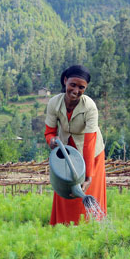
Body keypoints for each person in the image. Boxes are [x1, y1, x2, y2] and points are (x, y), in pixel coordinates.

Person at [44, 65, 106, 225]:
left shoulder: (90, 107)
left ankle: (89, 227)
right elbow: (49, 131)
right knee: (66, 189)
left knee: (87, 189)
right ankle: (63, 226)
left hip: (91, 154)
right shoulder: (54, 103)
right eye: (73, 84)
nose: (76, 90)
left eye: (81, 87)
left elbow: (89, 142)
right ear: (65, 81)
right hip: (66, 151)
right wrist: (51, 140)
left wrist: (88, 176)